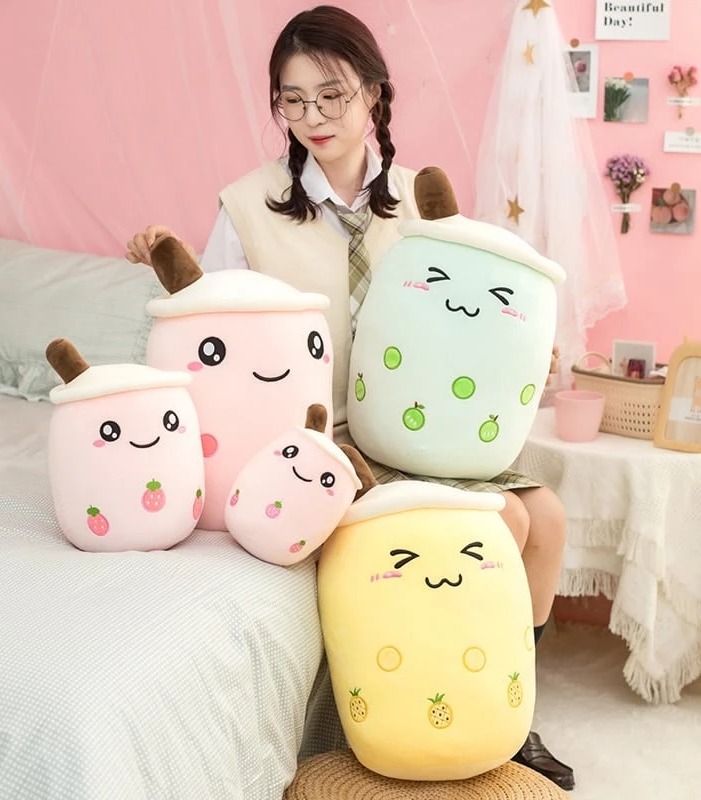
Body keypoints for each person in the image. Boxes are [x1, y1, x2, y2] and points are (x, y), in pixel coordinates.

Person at [126, 5, 573, 791]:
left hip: (421, 424)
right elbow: (214, 320)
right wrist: (167, 259)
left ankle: (514, 714)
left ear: (373, 93)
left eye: (331, 95)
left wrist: (520, 348)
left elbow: (466, 309)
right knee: (501, 520)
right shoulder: (248, 204)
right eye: (292, 100)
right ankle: (453, 702)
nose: (313, 117)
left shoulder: (419, 200)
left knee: (549, 520)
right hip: (322, 431)